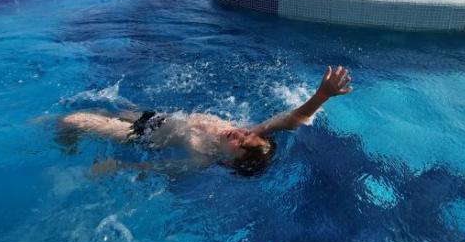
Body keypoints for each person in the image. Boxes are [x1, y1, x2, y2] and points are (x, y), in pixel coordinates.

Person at [59, 66, 353, 176]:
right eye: (246, 135)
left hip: (139, 135)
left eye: (240, 143)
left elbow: (159, 166)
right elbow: (292, 120)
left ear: (229, 163)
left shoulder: (201, 158)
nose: (238, 134)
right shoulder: (250, 131)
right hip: (157, 116)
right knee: (103, 105)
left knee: (73, 120)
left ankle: (63, 143)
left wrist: (118, 166)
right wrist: (322, 96)